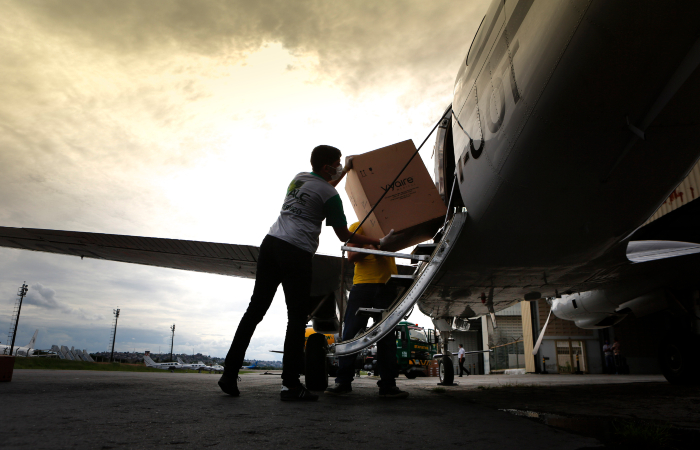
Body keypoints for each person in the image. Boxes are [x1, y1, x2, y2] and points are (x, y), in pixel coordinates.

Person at [218, 145, 398, 401]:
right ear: (326, 167)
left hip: (271, 243)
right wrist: (380, 243)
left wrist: (345, 170)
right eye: (336, 163)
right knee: (296, 319)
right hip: (296, 252)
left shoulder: (299, 178)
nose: (338, 167)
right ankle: (290, 385)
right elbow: (344, 235)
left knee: (254, 311)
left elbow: (324, 186)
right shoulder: (330, 196)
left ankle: (228, 373)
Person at [324, 221, 409, 399]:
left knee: (387, 337)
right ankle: (343, 381)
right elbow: (351, 256)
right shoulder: (359, 226)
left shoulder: (390, 228)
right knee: (351, 333)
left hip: (387, 286)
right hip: (363, 286)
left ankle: (388, 385)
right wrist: (374, 244)